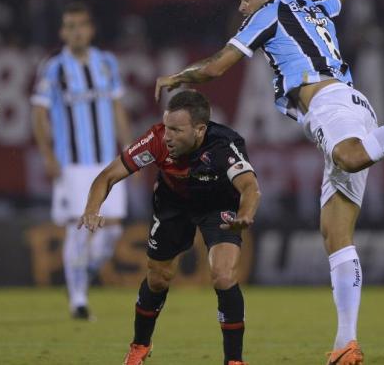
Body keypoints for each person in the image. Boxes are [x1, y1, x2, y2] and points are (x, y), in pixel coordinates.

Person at [153, 0, 384, 364]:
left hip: (330, 103)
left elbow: (219, 66)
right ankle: (346, 344)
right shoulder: (313, 6)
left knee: (349, 156)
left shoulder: (270, 10)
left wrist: (179, 76)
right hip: (346, 103)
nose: (241, 6)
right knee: (335, 234)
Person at [79, 90, 260, 365]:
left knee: (223, 275)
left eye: (176, 130)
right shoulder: (155, 140)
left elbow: (250, 187)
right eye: (166, 127)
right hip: (173, 206)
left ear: (200, 130)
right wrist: (92, 209)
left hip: (217, 207)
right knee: (158, 278)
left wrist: (245, 214)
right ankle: (140, 345)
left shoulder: (224, 145)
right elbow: (107, 176)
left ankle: (234, 360)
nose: (167, 136)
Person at [31, 2, 132, 320]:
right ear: (63, 32)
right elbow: (39, 113)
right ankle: (78, 300)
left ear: (90, 29)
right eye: (69, 26)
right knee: (81, 229)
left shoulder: (107, 63)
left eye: (81, 25)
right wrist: (48, 155)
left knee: (113, 233)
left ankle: (79, 275)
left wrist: (130, 150)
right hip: (73, 164)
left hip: (108, 163)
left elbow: (117, 108)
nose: (76, 32)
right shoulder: (54, 67)